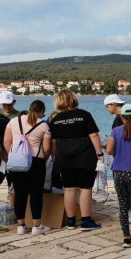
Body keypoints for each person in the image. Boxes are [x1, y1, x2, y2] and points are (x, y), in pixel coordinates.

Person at [49, 89, 104, 231]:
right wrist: (99, 154)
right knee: (85, 188)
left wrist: (54, 157)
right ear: (73, 99)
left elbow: (53, 142)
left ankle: (71, 221)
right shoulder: (84, 115)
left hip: (64, 157)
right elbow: (94, 136)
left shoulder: (55, 120)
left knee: (69, 189)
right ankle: (86, 220)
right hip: (85, 156)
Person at [3, 100, 52, 235]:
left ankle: (21, 226)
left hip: (17, 161)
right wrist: (44, 157)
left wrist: (13, 154)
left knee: (19, 193)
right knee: (36, 193)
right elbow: (47, 148)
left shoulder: (13, 121)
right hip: (36, 161)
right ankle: (36, 225)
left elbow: (6, 141)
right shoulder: (43, 126)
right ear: (41, 111)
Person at [105, 103, 131, 248]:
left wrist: (118, 152)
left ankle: (126, 238)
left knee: (123, 205)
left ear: (121, 116)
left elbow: (109, 150)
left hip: (118, 172)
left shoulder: (115, 131)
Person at [0, 90, 20, 216]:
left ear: (14, 102)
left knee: (13, 182)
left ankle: (13, 209)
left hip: (13, 154)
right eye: (4, 104)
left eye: (9, 104)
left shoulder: (19, 116)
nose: (7, 107)